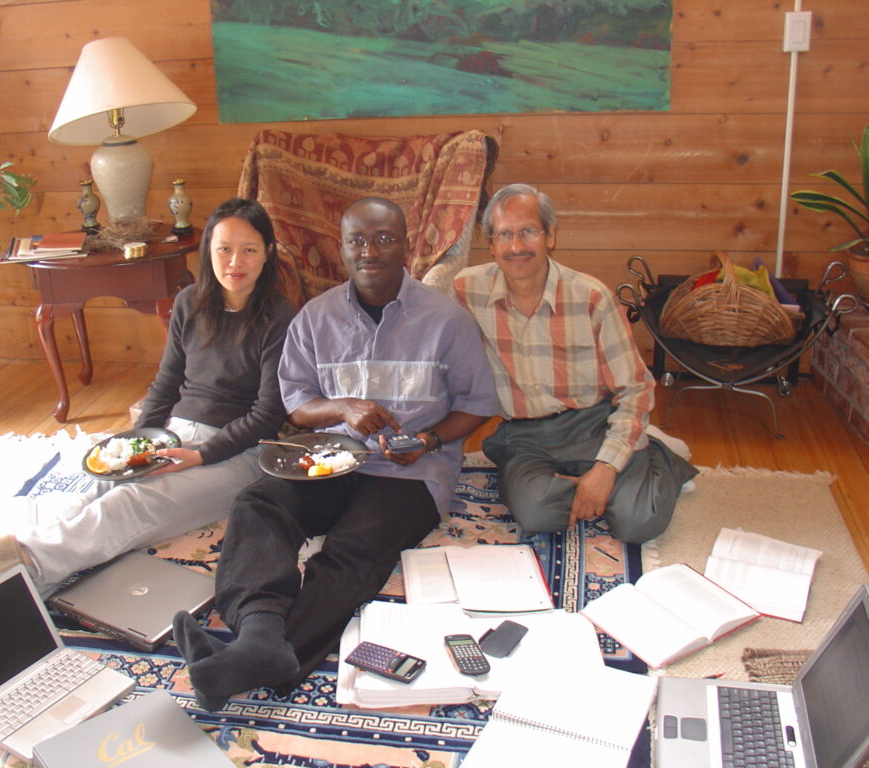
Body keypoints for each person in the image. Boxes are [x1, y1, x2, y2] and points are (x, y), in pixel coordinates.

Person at [173, 196, 498, 711]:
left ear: (406, 245)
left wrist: (430, 440)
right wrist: (343, 409)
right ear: (342, 248)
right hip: (332, 458)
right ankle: (259, 634)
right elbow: (298, 404)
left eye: (383, 239)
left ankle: (274, 653)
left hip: (411, 474)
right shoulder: (315, 318)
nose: (370, 251)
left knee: (349, 553)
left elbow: (479, 405)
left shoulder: (446, 321)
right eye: (357, 240)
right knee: (260, 504)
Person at [0, 198, 297, 613]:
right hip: (175, 431)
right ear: (208, 249)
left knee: (131, 504)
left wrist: (198, 456)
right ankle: (5, 585)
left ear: (267, 253)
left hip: (239, 454)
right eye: (224, 248)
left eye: (249, 249)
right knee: (102, 486)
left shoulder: (279, 317)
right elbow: (166, 384)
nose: (235, 261)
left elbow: (266, 417)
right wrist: (133, 444)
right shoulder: (189, 303)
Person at [453, 183, 697, 544]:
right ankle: (621, 474)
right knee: (537, 515)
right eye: (504, 235)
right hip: (523, 436)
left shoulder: (591, 297)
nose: (516, 246)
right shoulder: (464, 291)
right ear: (490, 244)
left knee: (639, 523)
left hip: (592, 423)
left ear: (551, 236)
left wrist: (605, 468)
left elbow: (635, 387)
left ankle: (657, 460)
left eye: (528, 232)